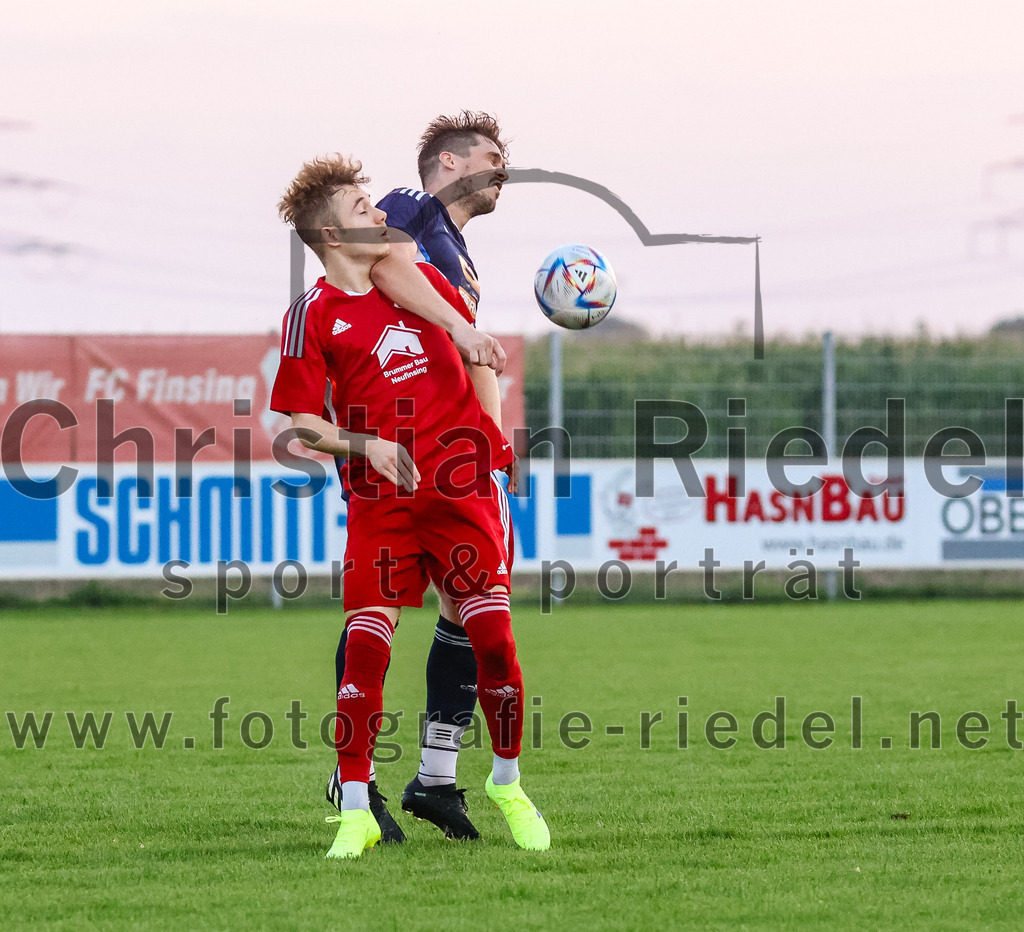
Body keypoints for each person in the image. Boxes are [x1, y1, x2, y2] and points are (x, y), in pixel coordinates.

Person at [271, 154, 549, 858]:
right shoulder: (311, 315)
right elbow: (299, 422)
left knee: (495, 641)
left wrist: (464, 337)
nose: (381, 215)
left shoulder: (416, 278)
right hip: (380, 499)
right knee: (367, 648)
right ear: (333, 238)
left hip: (460, 487)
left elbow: (397, 265)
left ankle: (506, 783)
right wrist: (363, 446)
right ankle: (357, 807)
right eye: (364, 209)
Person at [325, 112, 512, 842]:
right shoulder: (407, 207)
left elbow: (468, 356)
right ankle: (354, 779)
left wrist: (492, 439)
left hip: (459, 450)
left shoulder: (457, 254)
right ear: (449, 162)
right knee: (381, 604)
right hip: (400, 444)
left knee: (474, 599)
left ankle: (435, 779)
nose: (504, 170)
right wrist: (463, 329)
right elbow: (378, 263)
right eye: (493, 157)